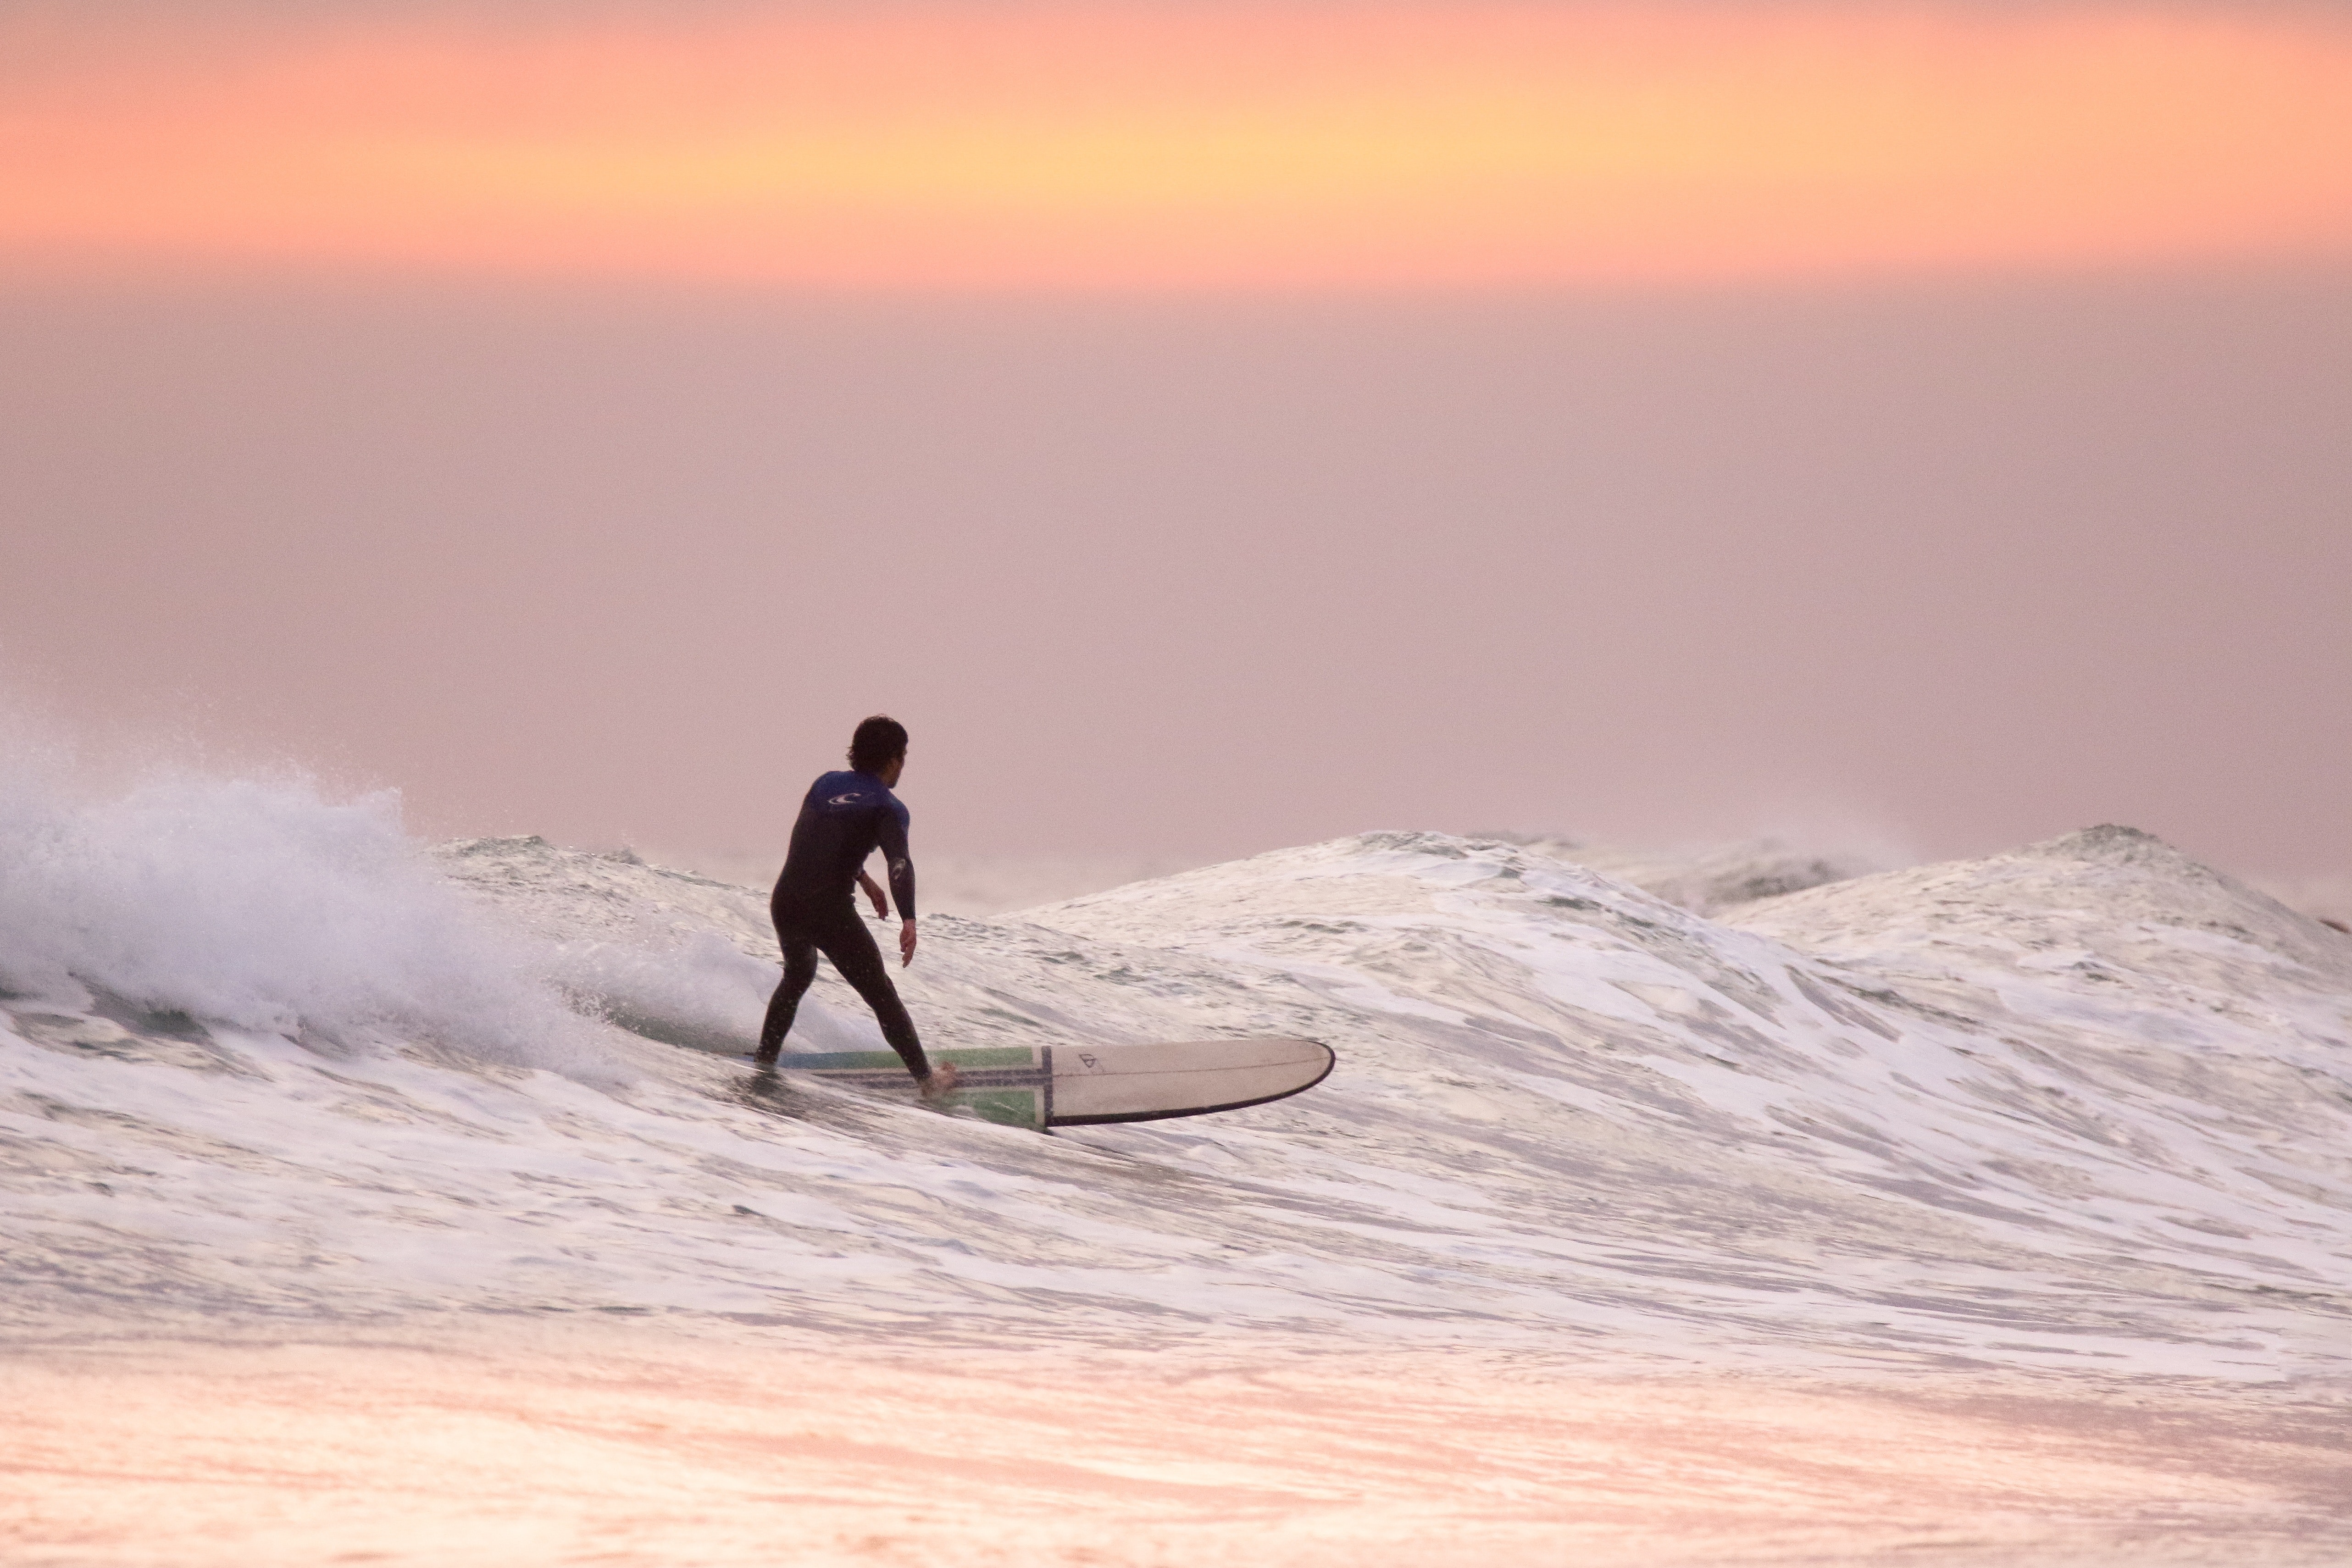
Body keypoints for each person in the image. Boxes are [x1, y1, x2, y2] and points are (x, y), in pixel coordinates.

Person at [754, 715, 958, 1097]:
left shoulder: (825, 784)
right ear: (894, 759)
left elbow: (821, 841)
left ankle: (765, 1062)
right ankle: (929, 1082)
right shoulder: (888, 806)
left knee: (798, 974)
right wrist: (909, 917)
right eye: (904, 756)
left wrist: (861, 878)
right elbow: (899, 863)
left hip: (786, 901)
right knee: (881, 994)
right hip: (828, 912)